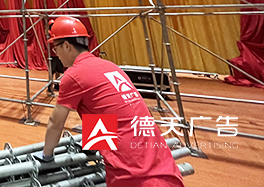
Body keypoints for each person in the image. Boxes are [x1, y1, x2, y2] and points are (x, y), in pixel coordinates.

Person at [34, 16, 184, 187]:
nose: (56, 54)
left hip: (132, 173)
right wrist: (93, 145)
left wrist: (47, 156)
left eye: (56, 48)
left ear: (67, 46)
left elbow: (56, 121)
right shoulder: (110, 67)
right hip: (162, 163)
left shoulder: (74, 75)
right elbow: (106, 110)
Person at [47, 19, 64, 93]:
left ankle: (57, 84)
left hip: (58, 54)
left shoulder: (56, 32)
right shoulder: (49, 32)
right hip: (52, 54)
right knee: (52, 71)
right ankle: (50, 85)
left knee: (58, 70)